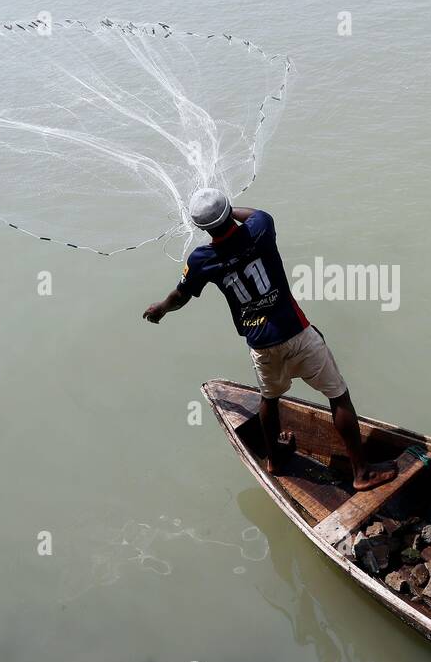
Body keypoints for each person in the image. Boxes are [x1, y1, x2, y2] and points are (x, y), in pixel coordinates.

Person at [143, 188, 398, 491]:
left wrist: (161, 309)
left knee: (270, 398)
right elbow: (252, 214)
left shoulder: (201, 260)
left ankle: (275, 459)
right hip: (296, 333)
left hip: (261, 344)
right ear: (227, 213)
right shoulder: (261, 228)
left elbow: (180, 297)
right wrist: (228, 210)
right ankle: (362, 473)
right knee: (338, 395)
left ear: (201, 228)